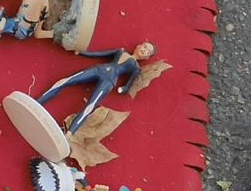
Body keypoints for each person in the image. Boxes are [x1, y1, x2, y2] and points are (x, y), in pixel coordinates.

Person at [31, 41, 164, 132]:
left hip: (109, 81)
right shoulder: (120, 51)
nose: (144, 50)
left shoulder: (135, 68)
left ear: (147, 58)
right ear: (139, 45)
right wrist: (82, 52)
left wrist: (123, 89)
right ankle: (38, 101)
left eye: (148, 52)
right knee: (66, 80)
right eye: (145, 46)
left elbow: (128, 84)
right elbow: (99, 54)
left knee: (91, 104)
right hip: (98, 69)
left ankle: (71, 132)